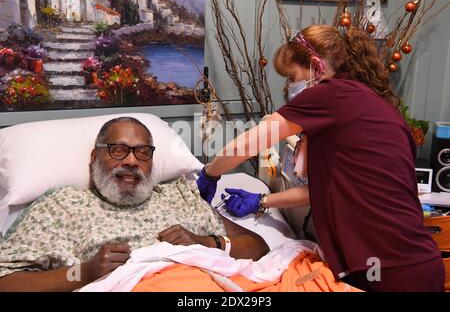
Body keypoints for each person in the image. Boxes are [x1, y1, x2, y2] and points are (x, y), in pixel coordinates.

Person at [196, 25, 445, 292]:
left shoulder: (329, 95)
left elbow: (249, 143)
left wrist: (210, 172)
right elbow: (329, 188)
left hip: (388, 266)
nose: (290, 87)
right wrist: (263, 201)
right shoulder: (364, 101)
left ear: (316, 66)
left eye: (291, 76)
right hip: (412, 262)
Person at [0, 117, 269, 292]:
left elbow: (258, 246)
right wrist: (85, 272)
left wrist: (207, 242)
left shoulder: (179, 195)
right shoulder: (62, 206)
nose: (131, 161)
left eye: (142, 152)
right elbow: (8, 282)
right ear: (95, 156)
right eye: (118, 150)